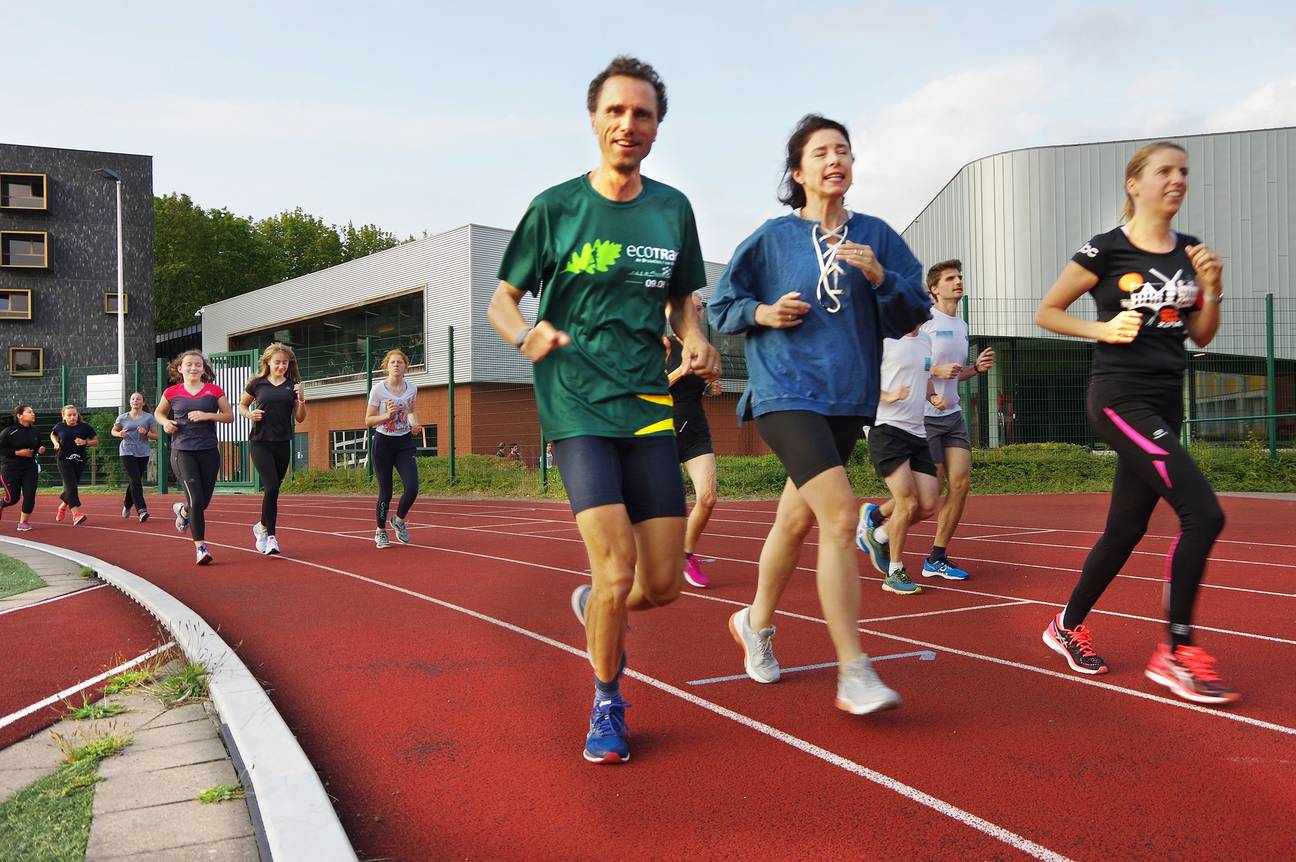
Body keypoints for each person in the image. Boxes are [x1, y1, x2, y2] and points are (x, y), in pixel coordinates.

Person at [488, 55, 720, 764]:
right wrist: (526, 334)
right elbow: (502, 301)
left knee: (663, 586)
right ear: (595, 119)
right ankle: (608, 702)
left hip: (648, 405)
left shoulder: (672, 208)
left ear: (657, 126)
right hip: (576, 404)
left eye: (642, 113)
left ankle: (598, 610)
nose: (629, 123)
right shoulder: (556, 207)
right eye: (616, 111)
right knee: (615, 570)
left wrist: (696, 339)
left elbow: (684, 301)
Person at [708, 114, 930, 715]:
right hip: (784, 392)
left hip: (846, 399)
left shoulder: (878, 236)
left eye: (845, 151)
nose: (837, 160)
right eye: (823, 152)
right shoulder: (771, 239)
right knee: (838, 519)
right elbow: (721, 306)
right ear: (799, 170)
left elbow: (913, 310)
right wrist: (762, 313)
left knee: (794, 522)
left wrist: (882, 278)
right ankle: (854, 669)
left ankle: (754, 624)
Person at [1035, 141, 1236, 705]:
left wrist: (1213, 289)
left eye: (1184, 172)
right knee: (1204, 512)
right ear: (1135, 184)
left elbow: (1201, 336)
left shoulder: (1192, 251)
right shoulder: (1106, 249)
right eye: (1165, 171)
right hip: (1119, 398)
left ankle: (1066, 625)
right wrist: (1101, 330)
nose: (1178, 180)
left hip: (1165, 401)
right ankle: (1176, 652)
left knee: (1125, 529)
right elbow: (1046, 311)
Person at [858, 260, 994, 581]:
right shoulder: (921, 322)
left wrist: (974, 370)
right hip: (920, 419)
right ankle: (879, 523)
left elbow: (936, 368)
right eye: (950, 278)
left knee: (958, 484)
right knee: (916, 498)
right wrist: (927, 379)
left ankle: (936, 557)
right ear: (933, 289)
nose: (958, 281)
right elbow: (913, 364)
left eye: (960, 276)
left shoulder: (958, 326)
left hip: (950, 412)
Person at [857, 327, 942, 596]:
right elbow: (860, 381)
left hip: (917, 432)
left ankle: (878, 535)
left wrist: (932, 395)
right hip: (886, 428)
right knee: (908, 501)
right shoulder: (883, 338)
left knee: (928, 504)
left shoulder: (926, 340)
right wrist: (888, 396)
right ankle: (894, 572)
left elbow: (924, 377)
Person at [156, 350, 234, 565]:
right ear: (179, 369)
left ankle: (183, 510)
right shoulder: (172, 392)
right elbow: (159, 413)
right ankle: (201, 548)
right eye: (189, 364)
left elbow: (229, 416)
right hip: (182, 451)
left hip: (208, 450)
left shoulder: (214, 391)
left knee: (203, 502)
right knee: (197, 500)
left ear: (203, 369)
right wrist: (165, 423)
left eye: (198, 365)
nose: (193, 368)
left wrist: (208, 415)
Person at [666, 292, 721, 588]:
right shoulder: (664, 345)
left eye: (701, 309)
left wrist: (711, 389)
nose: (699, 314)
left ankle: (685, 554)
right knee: (659, 506)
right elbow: (651, 385)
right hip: (661, 430)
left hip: (695, 430)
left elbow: (704, 385)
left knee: (708, 497)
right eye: (695, 309)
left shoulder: (705, 348)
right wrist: (681, 370)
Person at [240, 343, 307, 555]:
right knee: (271, 488)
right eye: (277, 362)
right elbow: (241, 406)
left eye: (285, 363)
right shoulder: (257, 384)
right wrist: (250, 414)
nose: (281, 366)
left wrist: (302, 399)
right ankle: (271, 538)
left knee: (274, 491)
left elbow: (300, 418)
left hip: (282, 442)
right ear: (268, 362)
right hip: (260, 442)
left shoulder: (293, 385)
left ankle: (260, 526)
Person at [365, 348, 421, 549]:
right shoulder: (378, 389)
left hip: (404, 442)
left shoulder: (412, 389)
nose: (396, 365)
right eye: (392, 362)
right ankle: (380, 531)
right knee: (386, 492)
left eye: (400, 362)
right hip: (383, 443)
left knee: (412, 488)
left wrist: (415, 424)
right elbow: (368, 420)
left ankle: (398, 520)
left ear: (406, 366)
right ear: (386, 366)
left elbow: (411, 412)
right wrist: (386, 416)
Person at [50, 404, 98, 526]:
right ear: (64, 416)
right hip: (63, 460)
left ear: (78, 415)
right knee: (71, 486)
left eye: (74, 415)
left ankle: (62, 506)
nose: (72, 417)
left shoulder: (85, 427)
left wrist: (85, 442)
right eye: (69, 415)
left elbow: (96, 441)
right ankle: (76, 514)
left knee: (71, 487)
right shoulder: (60, 426)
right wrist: (56, 443)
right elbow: (53, 434)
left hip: (79, 461)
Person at [113, 392, 157, 522]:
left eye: (138, 399)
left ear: (143, 403)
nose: (135, 401)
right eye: (133, 399)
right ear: (129, 402)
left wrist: (146, 433)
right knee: (136, 479)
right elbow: (113, 431)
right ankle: (142, 510)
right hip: (127, 451)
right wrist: (119, 433)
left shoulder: (149, 418)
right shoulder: (122, 418)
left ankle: (127, 504)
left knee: (134, 480)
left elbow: (156, 436)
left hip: (143, 452)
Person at [1, 404, 45, 531]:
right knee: (12, 499)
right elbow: (2, 449)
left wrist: (40, 449)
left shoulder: (35, 431)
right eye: (29, 412)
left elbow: (38, 446)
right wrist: (17, 453)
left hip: (29, 467)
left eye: (33, 411)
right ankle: (1, 504)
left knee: (30, 494)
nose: (33, 414)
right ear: (19, 416)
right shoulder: (9, 431)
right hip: (10, 468)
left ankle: (23, 522)